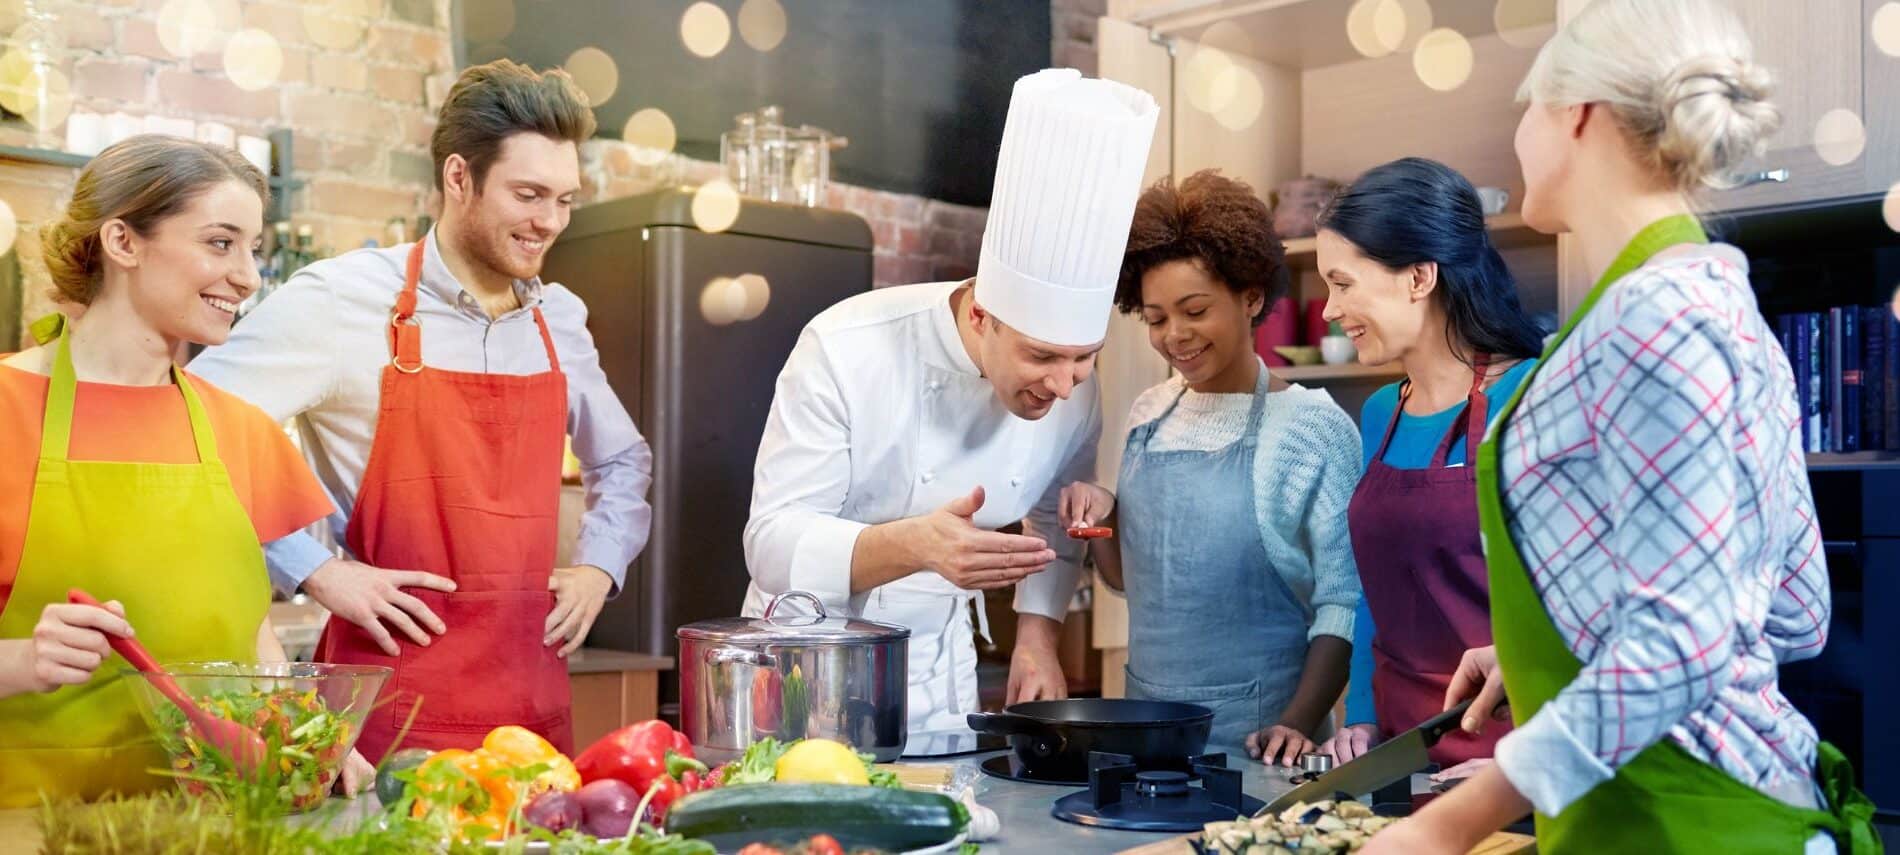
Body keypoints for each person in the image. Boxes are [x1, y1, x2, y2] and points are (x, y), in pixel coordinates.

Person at [1362, 1, 1879, 852]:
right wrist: (1554, 650)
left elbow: (1685, 640)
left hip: (1688, 822)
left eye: (1527, 110)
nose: (1519, 136)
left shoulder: (1655, 319)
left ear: (1577, 115)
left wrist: (1450, 824)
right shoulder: (1717, 305)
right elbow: (1794, 611)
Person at [189, 60, 654, 761]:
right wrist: (312, 568)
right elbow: (189, 427)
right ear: (458, 178)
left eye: (565, 200)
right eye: (529, 195)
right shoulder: (337, 303)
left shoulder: (559, 319)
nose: (550, 223)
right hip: (386, 716)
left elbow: (622, 459)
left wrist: (600, 566)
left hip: (532, 720)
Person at [742, 68, 1157, 734]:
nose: (1064, 383)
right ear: (983, 313)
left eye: (1084, 356)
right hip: (806, 669)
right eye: (1042, 356)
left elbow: (1055, 507)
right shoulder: (847, 347)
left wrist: (1037, 633)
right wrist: (913, 544)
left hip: (941, 678)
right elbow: (770, 544)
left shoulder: (1074, 386)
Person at [0, 135, 365, 805]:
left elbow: (253, 636)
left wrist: (300, 741)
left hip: (217, 821)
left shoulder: (241, 429)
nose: (249, 276)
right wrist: (21, 660)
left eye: (254, 249)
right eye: (221, 243)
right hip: (32, 823)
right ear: (123, 242)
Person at [1058, 170, 1361, 760]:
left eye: (1194, 310)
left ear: (1251, 297)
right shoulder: (1150, 413)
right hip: (1144, 732)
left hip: (1264, 746)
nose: (1175, 336)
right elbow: (1129, 581)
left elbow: (1343, 602)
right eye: (1155, 318)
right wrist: (1099, 520)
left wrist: (1298, 724)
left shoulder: (1311, 429)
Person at [1310, 158, 1543, 777]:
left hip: (1511, 755)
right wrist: (1359, 717)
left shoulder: (1533, 397)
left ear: (1418, 277)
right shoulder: (1382, 411)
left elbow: (1573, 604)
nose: (1329, 310)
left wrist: (1525, 757)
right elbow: (1371, 591)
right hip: (1398, 752)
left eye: (1343, 283)